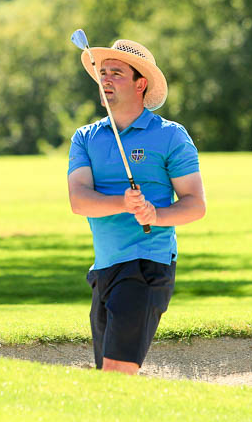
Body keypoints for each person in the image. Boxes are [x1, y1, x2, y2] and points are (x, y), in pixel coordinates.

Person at [67, 39, 206, 375]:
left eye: (116, 73)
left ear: (140, 84)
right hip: (104, 268)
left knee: (117, 372)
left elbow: (195, 204)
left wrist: (156, 214)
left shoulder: (170, 136)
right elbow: (79, 200)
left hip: (146, 264)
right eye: (103, 73)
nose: (106, 79)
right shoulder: (85, 138)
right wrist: (123, 202)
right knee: (110, 380)